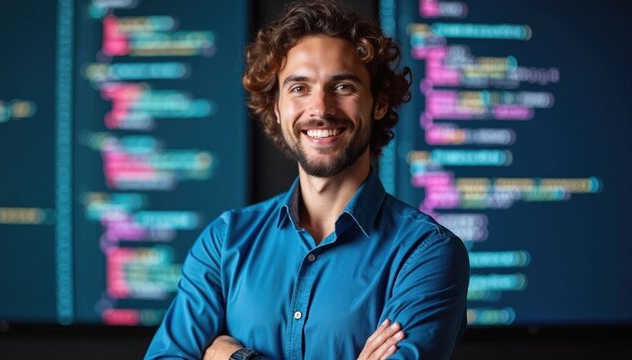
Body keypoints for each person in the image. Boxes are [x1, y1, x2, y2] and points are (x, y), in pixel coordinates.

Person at [145, 1, 470, 359]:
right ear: (276, 106)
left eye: (343, 87)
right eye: (299, 88)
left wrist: (238, 358)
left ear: (378, 103)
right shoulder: (225, 243)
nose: (320, 109)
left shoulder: (425, 252)